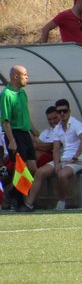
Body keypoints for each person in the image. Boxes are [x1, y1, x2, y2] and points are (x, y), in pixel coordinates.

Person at [23, 98, 82, 211]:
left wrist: (75, 156)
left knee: (62, 174)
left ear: (69, 111)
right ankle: (29, 204)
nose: (62, 113)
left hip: (77, 160)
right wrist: (57, 163)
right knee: (40, 172)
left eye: (64, 111)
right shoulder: (58, 128)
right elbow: (56, 148)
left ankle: (69, 201)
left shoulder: (76, 124)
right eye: (59, 111)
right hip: (64, 159)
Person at [1, 65, 36, 210]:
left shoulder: (22, 93)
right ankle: (20, 202)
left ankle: (12, 192)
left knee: (33, 168)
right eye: (25, 74)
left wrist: (34, 131)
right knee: (21, 168)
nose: (27, 77)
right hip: (14, 133)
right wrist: (12, 141)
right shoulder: (6, 94)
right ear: (16, 76)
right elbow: (5, 120)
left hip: (25, 133)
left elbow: (26, 114)